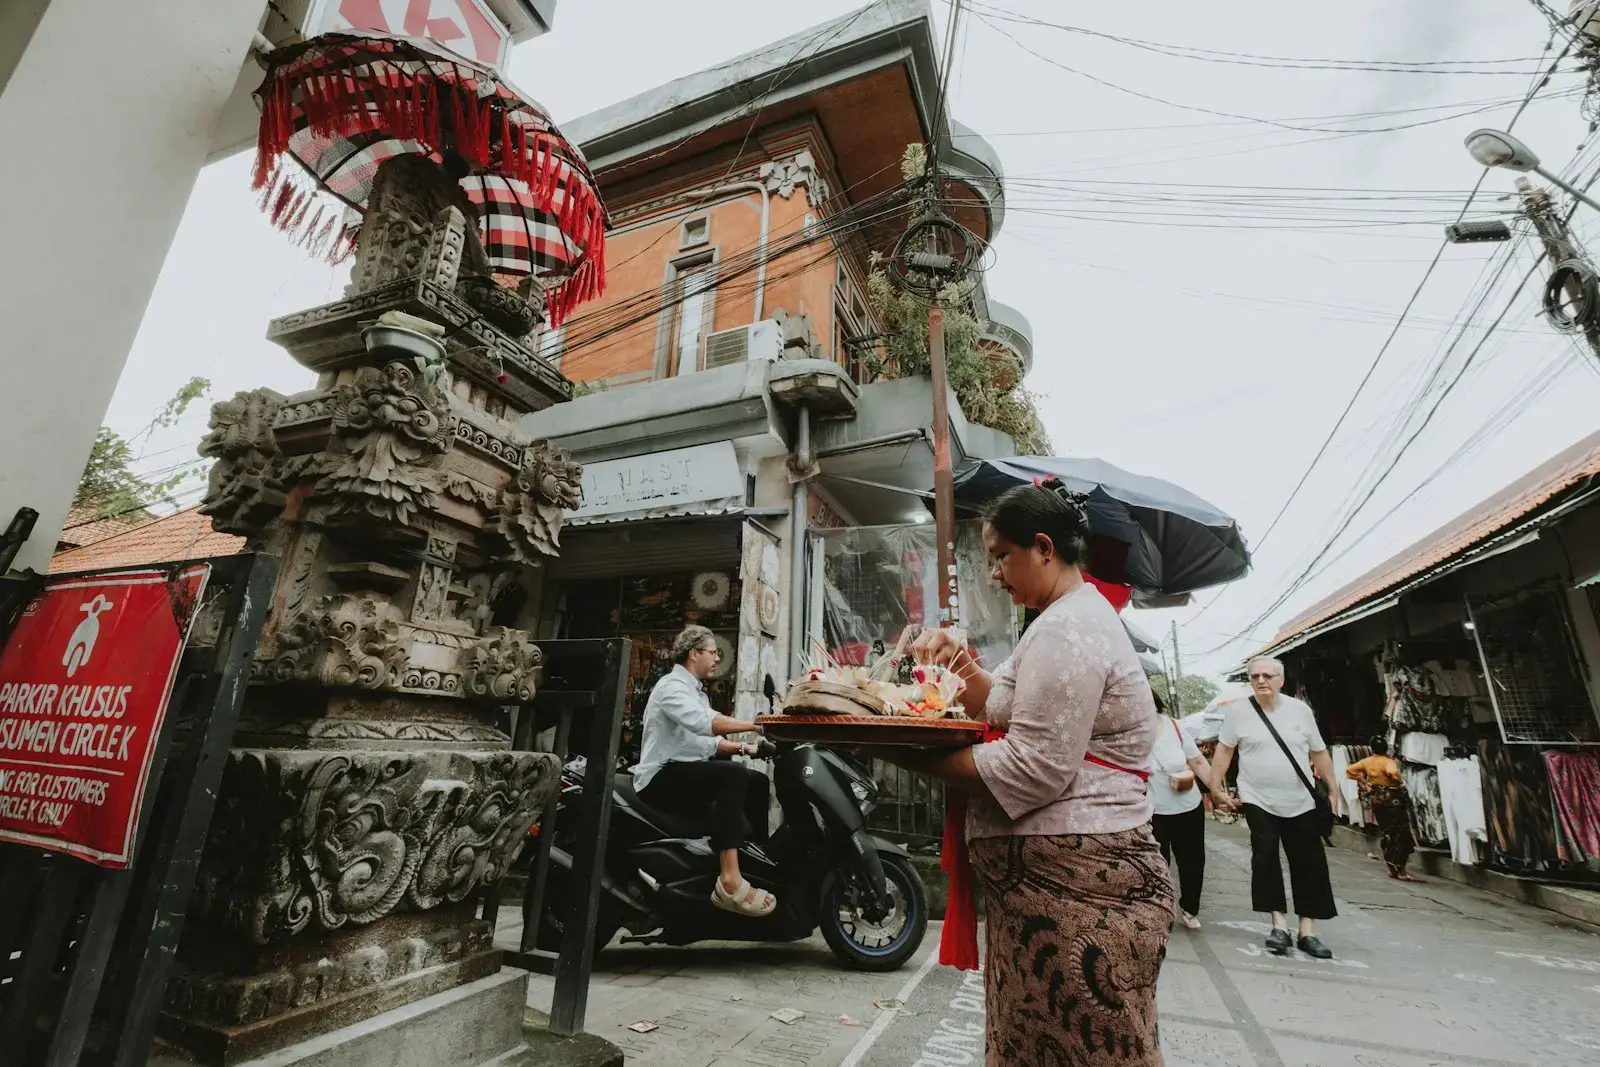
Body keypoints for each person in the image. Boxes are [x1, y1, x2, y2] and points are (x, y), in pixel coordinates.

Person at [887, 478, 1169, 1066]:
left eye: (1001, 557)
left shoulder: (1072, 628)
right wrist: (957, 660)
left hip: (1080, 896)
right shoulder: (1059, 619)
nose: (994, 574)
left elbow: (1033, 766)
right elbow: (998, 707)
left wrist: (902, 752)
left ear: (1043, 547)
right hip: (1052, 899)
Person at [632, 626, 774, 916]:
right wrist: (755, 725)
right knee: (730, 776)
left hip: (681, 770)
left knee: (756, 780)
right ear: (693, 653)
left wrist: (745, 749)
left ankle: (754, 862)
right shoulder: (671, 686)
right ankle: (730, 879)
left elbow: (703, 743)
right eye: (712, 652)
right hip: (658, 777)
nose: (716, 659)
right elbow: (702, 723)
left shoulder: (695, 693)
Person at [1210, 656, 1340, 959]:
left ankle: (1308, 931)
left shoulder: (1300, 711)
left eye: (1268, 675)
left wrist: (1333, 788)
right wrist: (1216, 786)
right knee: (1265, 858)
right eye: (1255, 676)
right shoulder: (1238, 712)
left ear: (1282, 680)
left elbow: (1319, 751)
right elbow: (1224, 750)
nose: (1261, 680)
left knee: (1309, 863)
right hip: (1258, 798)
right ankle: (1279, 927)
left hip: (1300, 799)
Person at [1149, 688, 1215, 930]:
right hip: (1150, 810)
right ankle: (1161, 908)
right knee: (1157, 861)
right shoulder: (1128, 729)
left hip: (1187, 806)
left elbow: (1197, 761)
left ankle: (1190, 907)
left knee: (1192, 860)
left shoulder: (1174, 726)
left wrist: (1217, 790)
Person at [1346, 738, 1422, 882]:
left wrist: (1365, 781)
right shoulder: (1388, 762)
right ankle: (1401, 870)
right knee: (1400, 833)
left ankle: (1391, 868)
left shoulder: (1367, 761)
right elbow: (1393, 773)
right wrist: (1398, 781)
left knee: (1387, 832)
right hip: (1392, 800)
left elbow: (1350, 771)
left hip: (1377, 799)